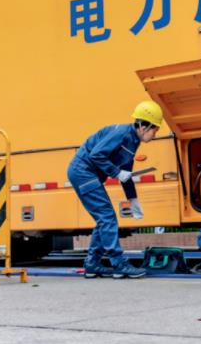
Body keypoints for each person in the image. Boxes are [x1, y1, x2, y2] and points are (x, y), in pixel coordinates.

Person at [67, 101, 163, 279]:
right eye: (154, 130)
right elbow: (96, 155)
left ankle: (92, 264)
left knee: (104, 219)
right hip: (82, 172)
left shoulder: (133, 141)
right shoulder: (122, 133)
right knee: (107, 216)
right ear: (143, 126)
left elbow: (126, 172)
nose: (155, 135)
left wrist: (133, 199)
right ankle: (118, 263)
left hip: (87, 173)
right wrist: (116, 172)